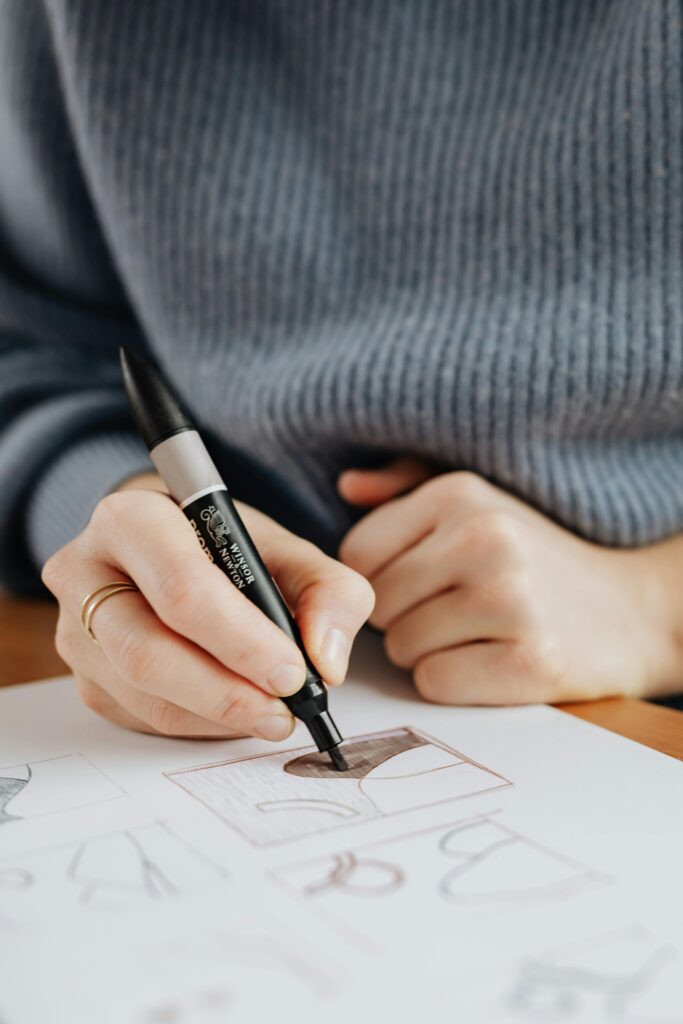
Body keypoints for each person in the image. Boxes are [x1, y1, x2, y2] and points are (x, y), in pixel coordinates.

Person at [2, 1, 683, 741]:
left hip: (633, 702)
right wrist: (122, 521)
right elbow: (32, 350)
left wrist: (655, 605)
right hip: (199, 675)